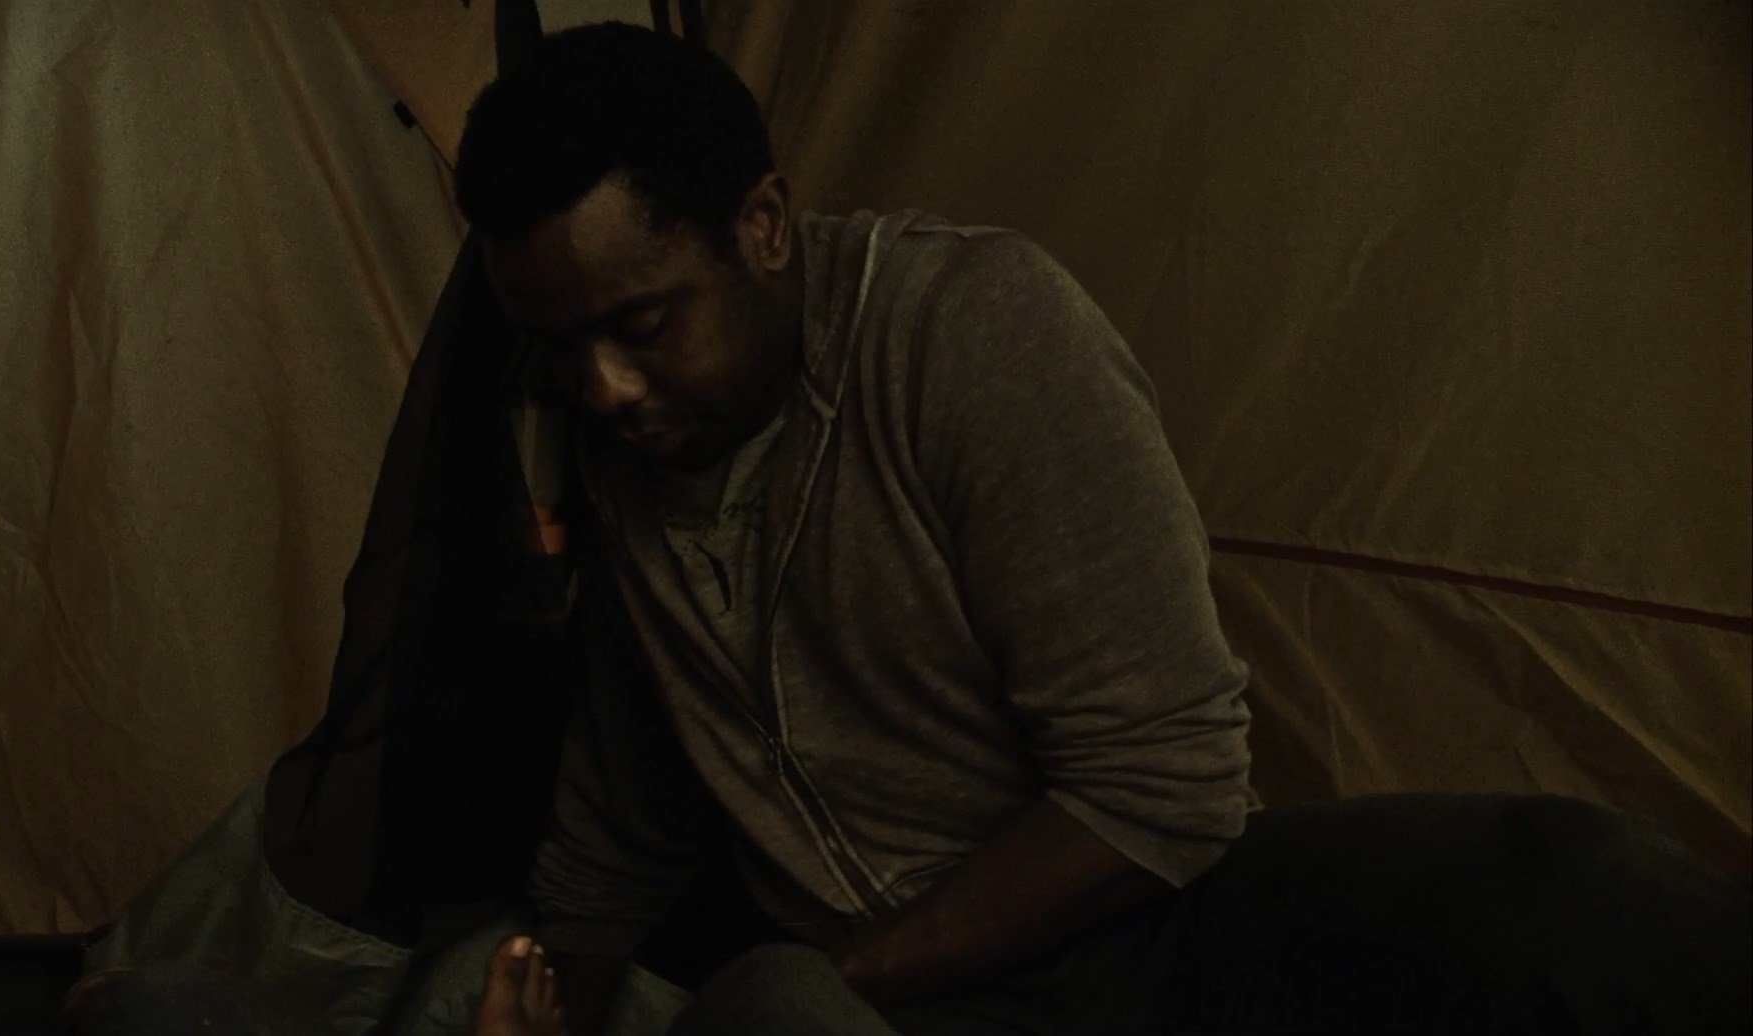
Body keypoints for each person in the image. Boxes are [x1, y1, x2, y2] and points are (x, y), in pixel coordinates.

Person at [456, 22, 1750, 1036]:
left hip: (1146, 936)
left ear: (765, 228)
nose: (604, 389)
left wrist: (852, 974)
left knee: (1573, 886)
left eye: (643, 326)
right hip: (907, 1012)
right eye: (562, 351)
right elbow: (615, 841)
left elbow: (1164, 788)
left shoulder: (967, 334)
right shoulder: (620, 462)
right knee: (760, 1015)